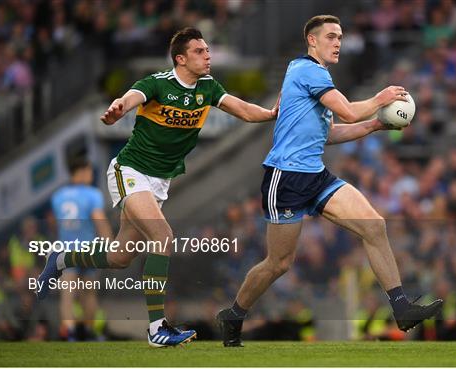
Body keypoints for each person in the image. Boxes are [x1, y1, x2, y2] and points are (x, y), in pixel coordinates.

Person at [37, 27, 278, 347]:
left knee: (120, 257)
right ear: (181, 58)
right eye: (199, 51)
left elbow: (245, 110)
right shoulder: (158, 83)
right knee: (162, 235)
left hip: (158, 183)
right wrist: (119, 107)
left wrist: (272, 113)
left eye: (208, 50)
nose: (208, 56)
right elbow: (130, 97)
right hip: (130, 171)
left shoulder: (208, 88)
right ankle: (155, 329)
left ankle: (63, 259)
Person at [217, 15, 443, 347]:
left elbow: (329, 134)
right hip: (287, 177)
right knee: (279, 263)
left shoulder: (318, 76)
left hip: (315, 175)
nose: (338, 42)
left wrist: (375, 126)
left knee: (374, 225)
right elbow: (350, 112)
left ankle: (401, 307)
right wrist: (381, 99)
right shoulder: (306, 70)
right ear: (312, 41)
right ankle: (234, 315)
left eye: (340, 37)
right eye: (331, 37)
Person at [51, 156, 113, 341]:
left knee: (67, 294)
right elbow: (99, 221)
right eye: (90, 171)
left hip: (66, 250)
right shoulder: (92, 194)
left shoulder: (58, 196)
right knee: (89, 293)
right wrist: (110, 246)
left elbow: (56, 224)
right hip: (88, 249)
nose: (91, 175)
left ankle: (69, 333)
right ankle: (88, 331)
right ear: (83, 171)